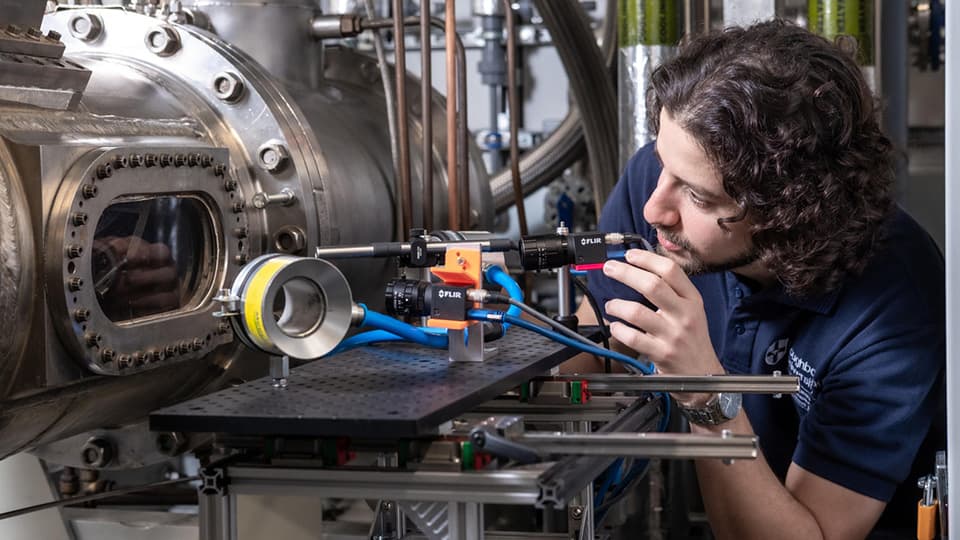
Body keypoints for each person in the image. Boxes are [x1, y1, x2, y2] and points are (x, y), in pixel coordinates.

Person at [583, 19, 945, 539]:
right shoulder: (666, 182)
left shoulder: (892, 310)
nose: (654, 208)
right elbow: (592, 342)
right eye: (662, 163)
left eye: (698, 197)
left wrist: (705, 393)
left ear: (789, 213)